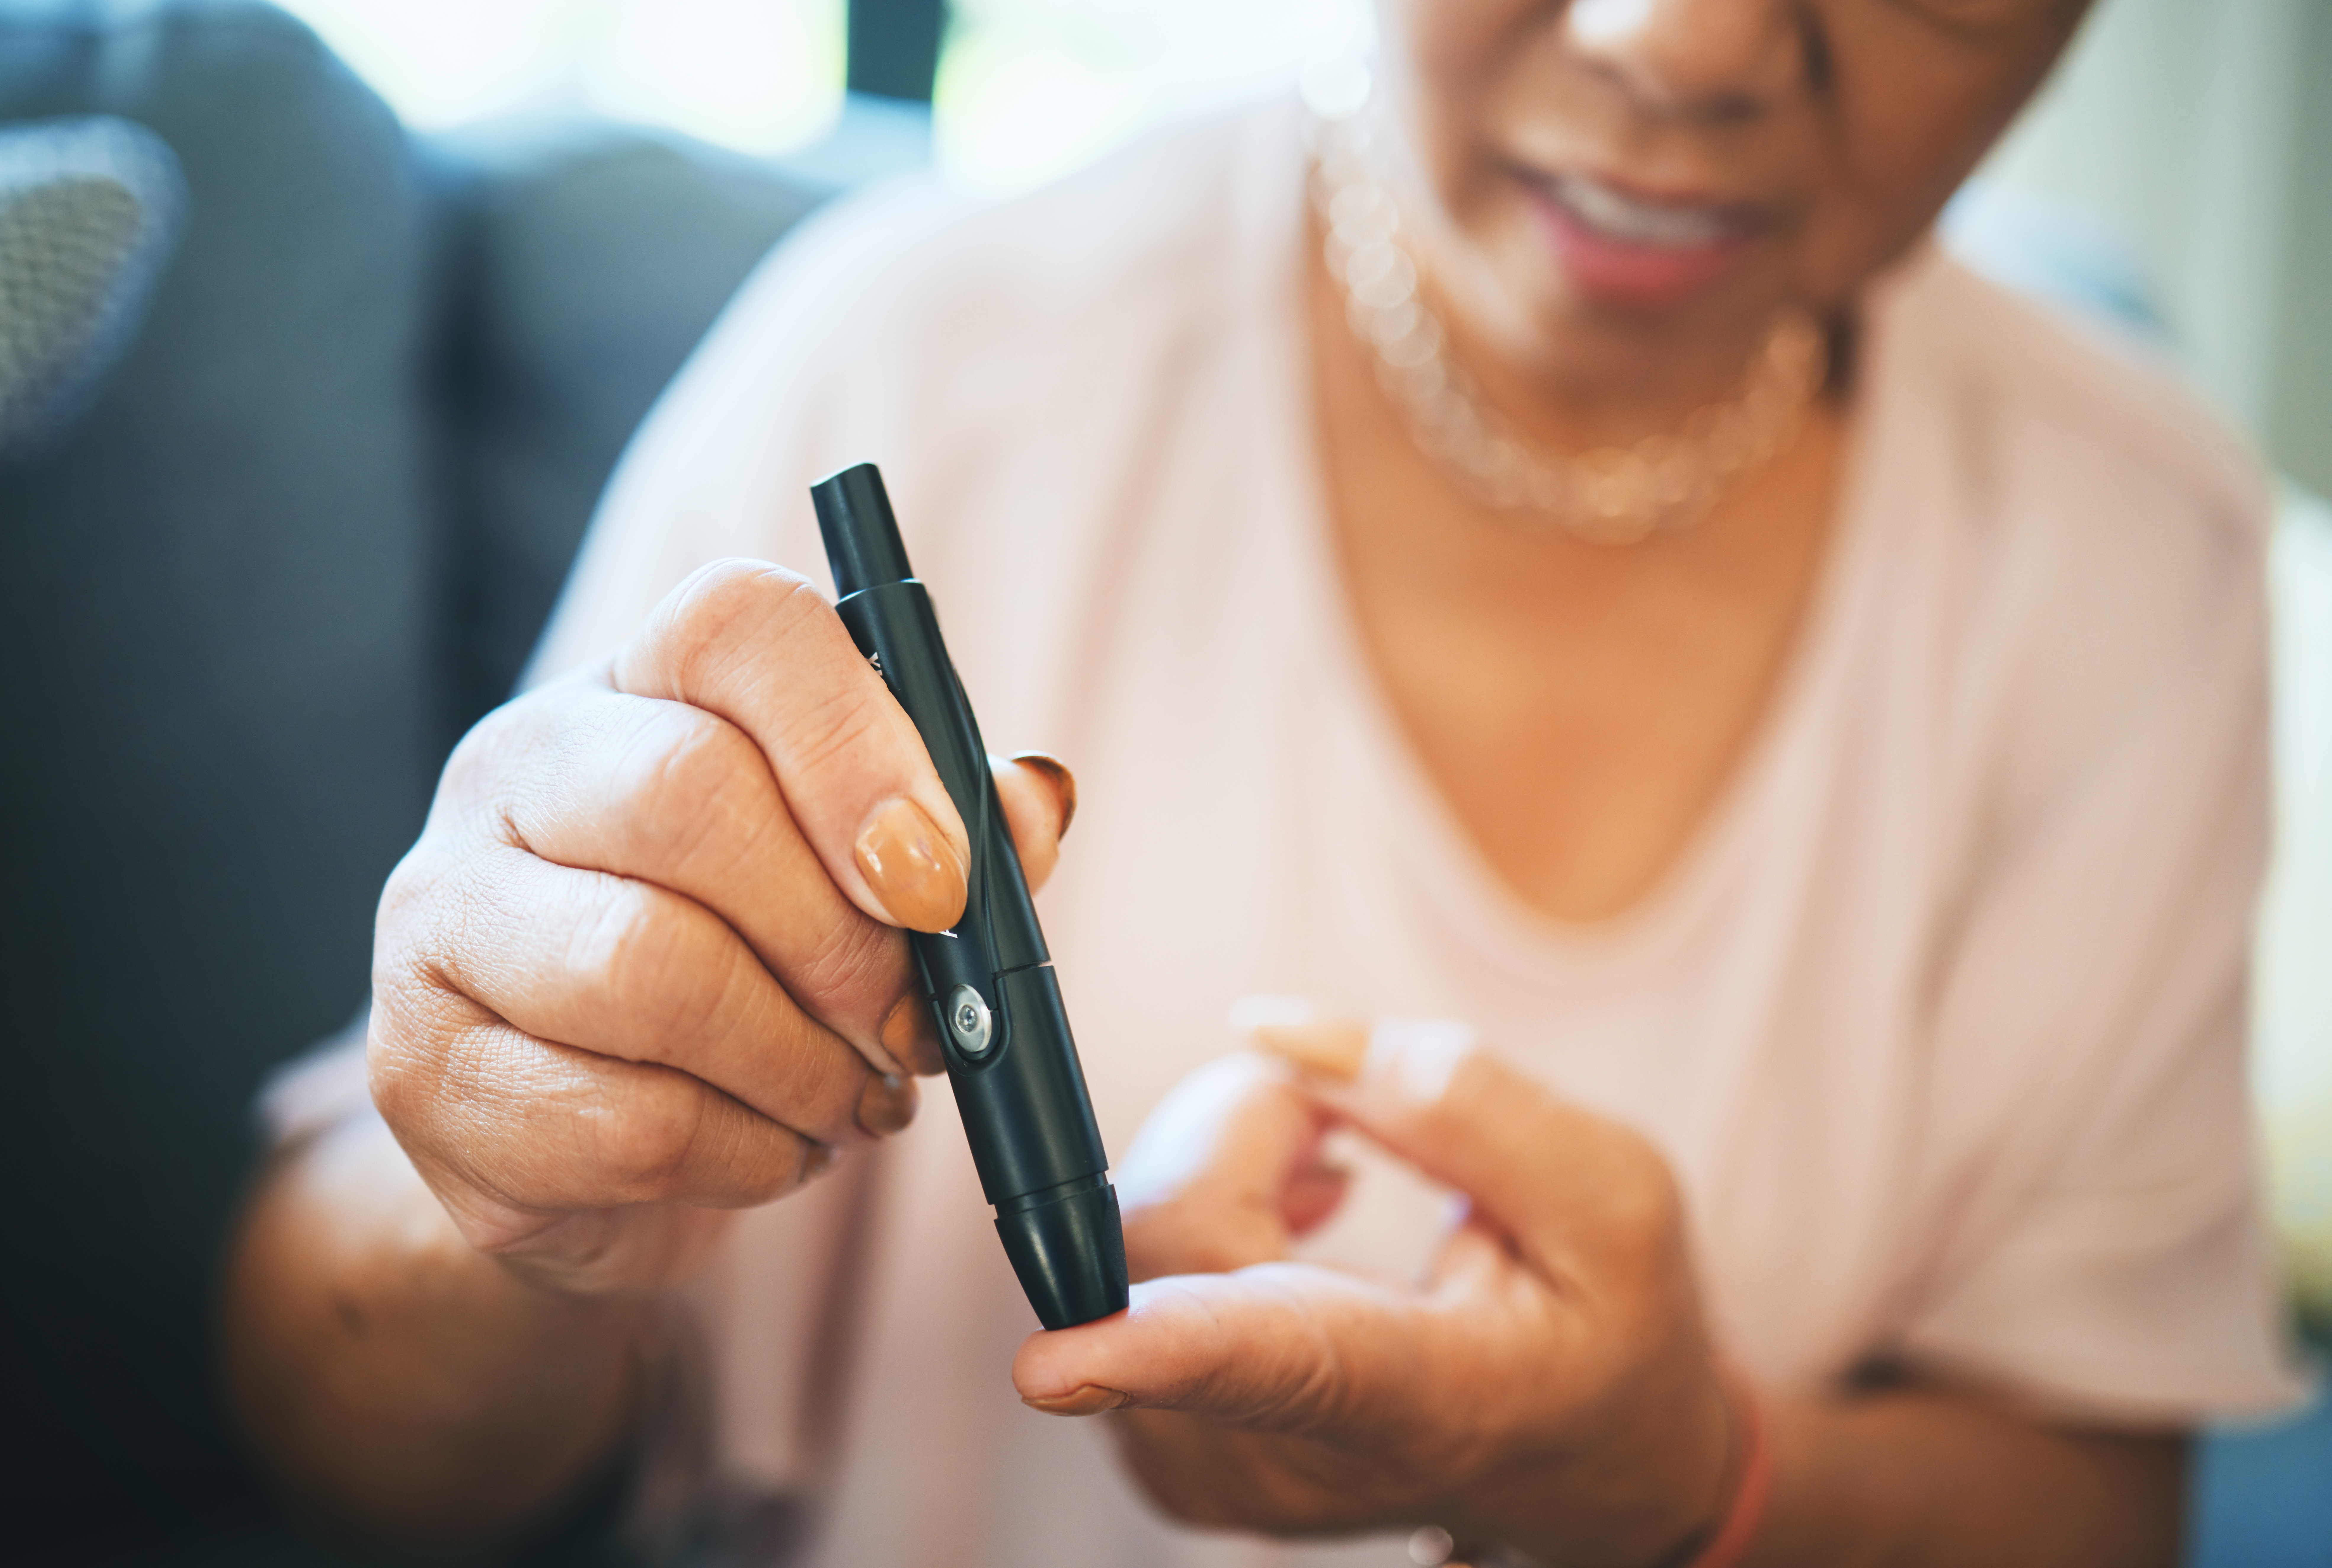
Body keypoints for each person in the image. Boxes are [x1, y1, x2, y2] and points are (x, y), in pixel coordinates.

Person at [223, 1, 2301, 1564]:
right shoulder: (909, 356)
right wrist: (509, 1191)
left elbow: (2097, 1503)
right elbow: (328, 1427)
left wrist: (1686, 1480)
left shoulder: (2142, 542)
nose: (1686, 43)